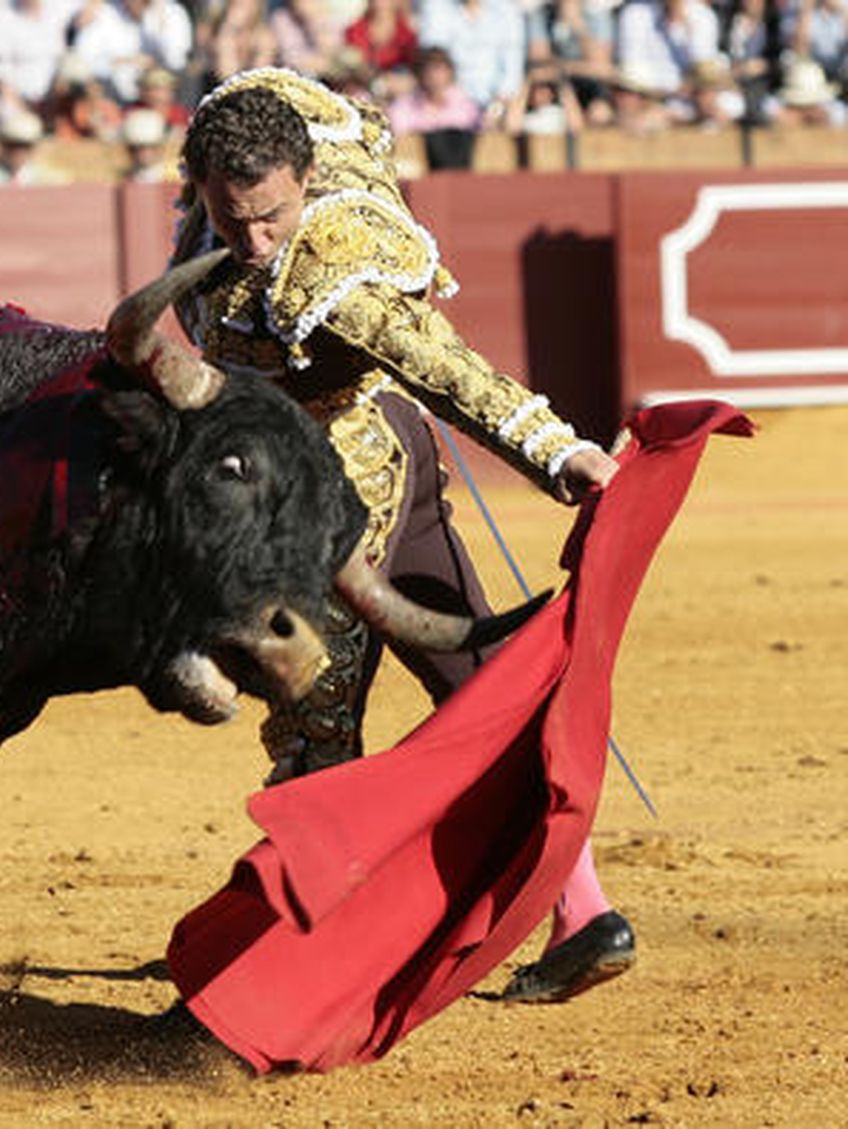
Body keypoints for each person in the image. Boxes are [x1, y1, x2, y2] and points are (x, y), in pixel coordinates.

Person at [170, 68, 635, 1004]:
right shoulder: (212, 220)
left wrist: (557, 449)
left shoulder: (336, 262)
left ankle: (316, 961)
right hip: (367, 466)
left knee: (315, 731)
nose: (255, 242)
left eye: (271, 217)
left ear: (306, 179)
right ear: (201, 188)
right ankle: (583, 913)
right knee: (482, 687)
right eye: (232, 220)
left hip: (345, 492)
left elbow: (441, 365)